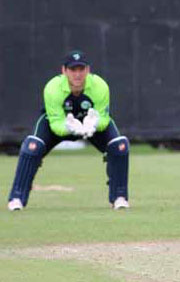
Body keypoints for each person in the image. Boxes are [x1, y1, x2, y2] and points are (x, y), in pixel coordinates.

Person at [7, 50, 130, 211]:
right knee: (32, 147)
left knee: (119, 145)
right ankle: (17, 198)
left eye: (81, 69)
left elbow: (104, 119)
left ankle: (119, 197)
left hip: (89, 125)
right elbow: (55, 123)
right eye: (73, 70)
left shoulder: (100, 86)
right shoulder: (53, 88)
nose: (77, 75)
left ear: (88, 70)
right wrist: (69, 126)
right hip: (59, 123)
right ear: (64, 71)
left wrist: (93, 124)